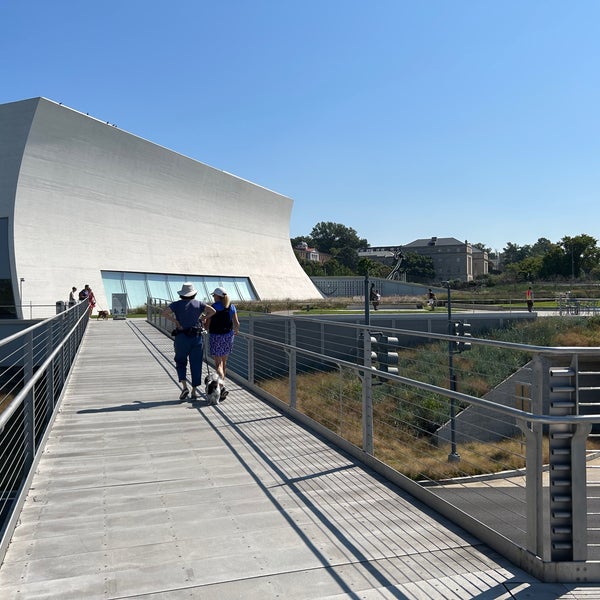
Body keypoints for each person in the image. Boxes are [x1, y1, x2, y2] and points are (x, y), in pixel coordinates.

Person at [161, 283, 216, 400]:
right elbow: (213, 311)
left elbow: (164, 313)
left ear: (181, 294)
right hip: (196, 338)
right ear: (194, 294)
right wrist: (203, 318)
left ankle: (184, 386)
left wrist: (175, 321)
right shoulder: (199, 304)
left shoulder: (176, 305)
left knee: (180, 361)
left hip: (181, 337)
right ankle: (194, 391)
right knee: (196, 364)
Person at [205, 287, 240, 400]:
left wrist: (204, 324)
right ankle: (221, 385)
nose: (213, 297)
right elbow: (237, 323)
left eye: (214, 295)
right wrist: (236, 331)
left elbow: (207, 325)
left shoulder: (213, 308)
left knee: (218, 365)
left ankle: (222, 387)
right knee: (224, 364)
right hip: (228, 336)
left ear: (217, 296)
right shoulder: (231, 306)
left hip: (216, 336)